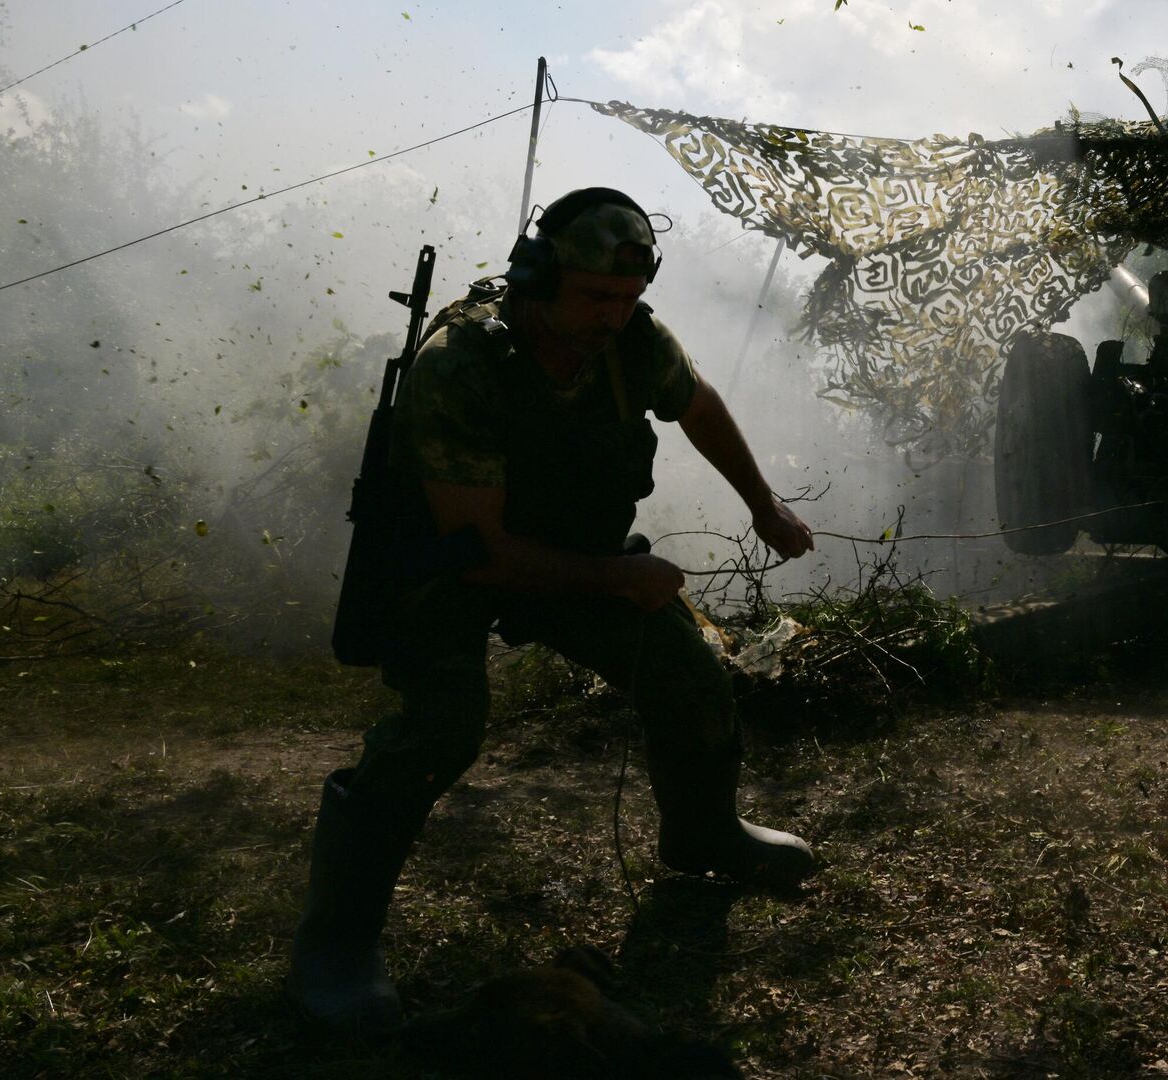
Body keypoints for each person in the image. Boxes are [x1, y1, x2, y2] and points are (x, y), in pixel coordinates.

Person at [287, 187, 817, 1034]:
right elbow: (483, 552)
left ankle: (703, 834)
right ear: (538, 278)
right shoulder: (463, 364)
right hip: (449, 569)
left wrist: (762, 502)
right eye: (595, 298)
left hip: (571, 554)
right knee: (440, 730)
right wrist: (613, 579)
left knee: (684, 669)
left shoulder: (627, 339)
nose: (613, 317)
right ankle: (336, 943)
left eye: (627, 300)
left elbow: (697, 402)